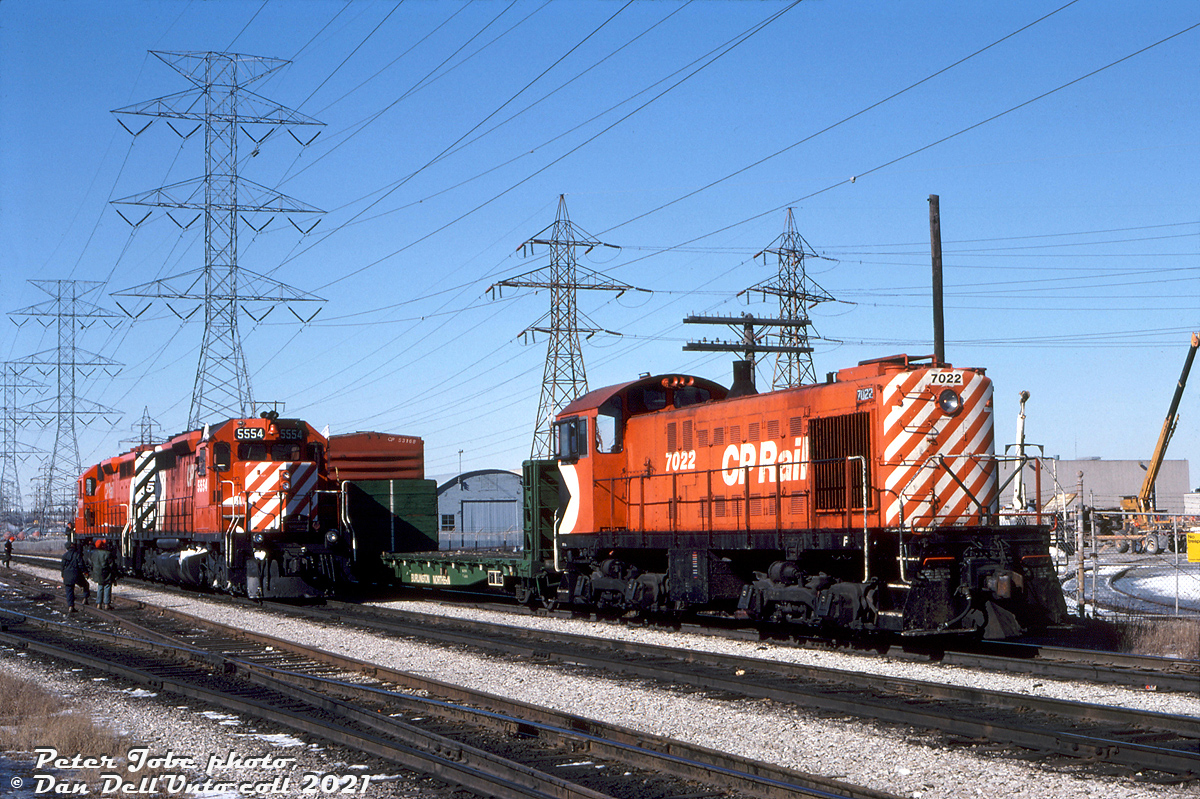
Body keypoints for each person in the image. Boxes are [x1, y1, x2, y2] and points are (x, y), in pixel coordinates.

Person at [60, 541, 90, 613]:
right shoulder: (77, 555)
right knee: (85, 585)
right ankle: (85, 598)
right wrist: (85, 572)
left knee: (69, 591)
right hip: (76, 575)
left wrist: (63, 575)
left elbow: (62, 567)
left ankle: (71, 606)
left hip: (67, 575)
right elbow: (81, 565)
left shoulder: (64, 556)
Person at [91, 539, 117, 610]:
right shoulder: (107, 553)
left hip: (97, 573)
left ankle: (99, 604)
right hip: (106, 573)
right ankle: (107, 604)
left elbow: (91, 562)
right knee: (107, 586)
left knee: (100, 587)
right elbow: (111, 565)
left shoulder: (94, 553)